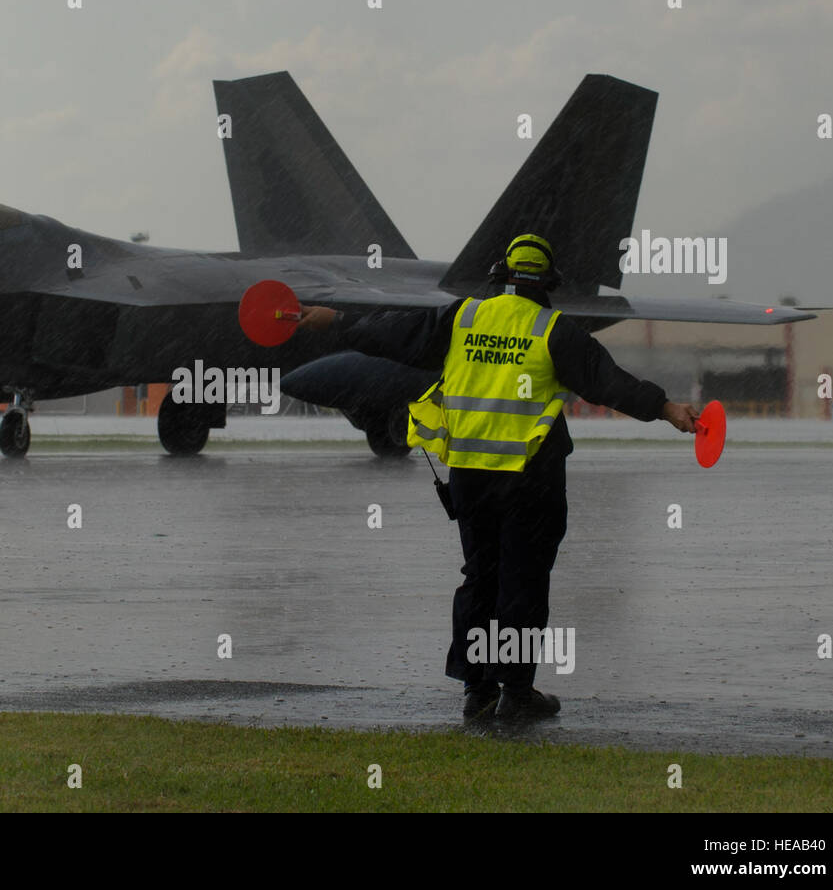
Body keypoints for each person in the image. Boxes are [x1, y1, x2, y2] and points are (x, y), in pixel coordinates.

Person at [298, 234, 699, 720]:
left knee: (480, 579)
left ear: (501, 274)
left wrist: (337, 322)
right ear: (548, 281)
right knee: (523, 582)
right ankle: (516, 692)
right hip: (531, 478)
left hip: (470, 475)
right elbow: (609, 384)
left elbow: (393, 335)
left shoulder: (463, 317)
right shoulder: (553, 330)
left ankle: (477, 689)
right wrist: (667, 409)